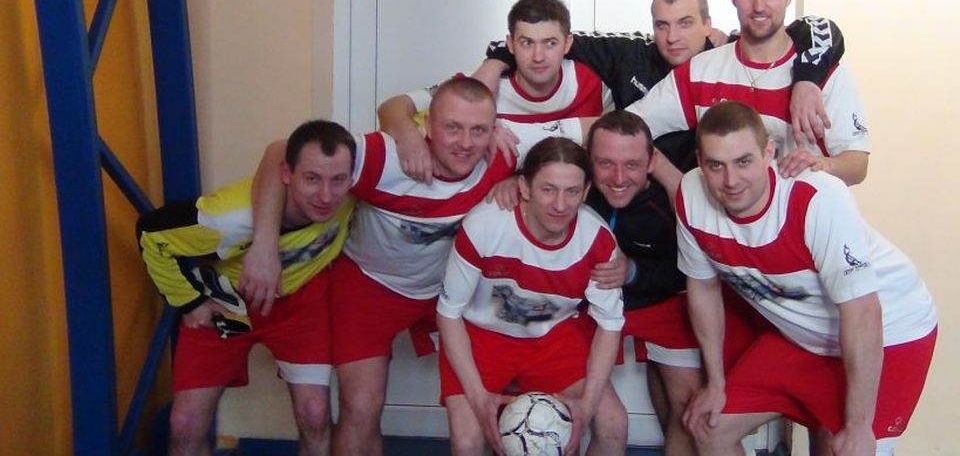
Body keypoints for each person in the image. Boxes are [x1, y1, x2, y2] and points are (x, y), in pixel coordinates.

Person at [242, 78, 580, 456]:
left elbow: (587, 137)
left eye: (478, 130)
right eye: (452, 128)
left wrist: (519, 178)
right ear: (428, 125)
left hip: (446, 291)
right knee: (361, 407)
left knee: (501, 388)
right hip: (370, 286)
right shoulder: (387, 155)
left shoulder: (502, 149)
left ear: (494, 128)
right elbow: (279, 151)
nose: (466, 143)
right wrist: (264, 246)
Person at [675, 102, 938, 456]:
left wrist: (858, 427)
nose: (731, 181)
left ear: (769, 153)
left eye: (744, 162)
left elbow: (863, 313)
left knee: (849, 449)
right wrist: (716, 384)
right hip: (805, 337)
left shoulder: (815, 197)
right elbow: (703, 288)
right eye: (715, 165)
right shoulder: (691, 195)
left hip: (889, 330)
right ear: (699, 162)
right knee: (709, 426)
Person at [136, 119, 357, 456]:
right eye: (312, 179)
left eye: (338, 180)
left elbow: (421, 127)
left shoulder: (353, 194)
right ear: (287, 174)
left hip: (300, 302)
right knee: (184, 426)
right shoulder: (226, 221)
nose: (326, 196)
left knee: (315, 415)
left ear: (351, 178)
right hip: (227, 303)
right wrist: (190, 302)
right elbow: (151, 234)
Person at [477, 0, 846, 170]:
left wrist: (807, 79)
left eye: (685, 24)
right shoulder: (630, 52)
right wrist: (493, 66)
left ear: (707, 24)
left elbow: (819, 29)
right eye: (662, 25)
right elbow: (542, 38)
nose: (672, 37)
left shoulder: (732, 54)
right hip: (629, 192)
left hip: (713, 196)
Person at [438, 137, 627, 456]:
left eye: (572, 192)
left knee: (613, 425)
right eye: (548, 189)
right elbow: (448, 313)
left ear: (585, 192)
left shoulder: (598, 240)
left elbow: (610, 325)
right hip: (481, 338)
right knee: (468, 441)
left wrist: (587, 406)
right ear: (524, 188)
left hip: (552, 338)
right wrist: (478, 397)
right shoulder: (484, 226)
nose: (560, 205)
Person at [627, 0, 871, 188]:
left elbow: (857, 165)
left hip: (802, 215)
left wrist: (821, 165)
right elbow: (630, 129)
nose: (759, 6)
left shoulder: (826, 76)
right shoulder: (700, 70)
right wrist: (676, 184)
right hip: (723, 217)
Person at [379, 0, 613, 183]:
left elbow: (611, 146)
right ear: (509, 44)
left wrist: (517, 179)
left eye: (550, 43)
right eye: (526, 43)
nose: (538, 56)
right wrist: (408, 136)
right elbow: (392, 107)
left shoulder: (591, 83)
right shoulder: (478, 86)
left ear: (568, 43)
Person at [585, 110, 704, 456]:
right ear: (589, 159)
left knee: (690, 410)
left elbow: (688, 272)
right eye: (605, 163)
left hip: (658, 300)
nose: (619, 178)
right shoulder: (572, 190)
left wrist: (633, 271)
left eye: (632, 165)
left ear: (652, 162)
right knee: (590, 412)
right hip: (588, 308)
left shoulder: (673, 203)